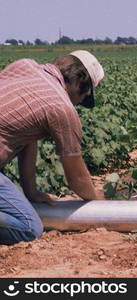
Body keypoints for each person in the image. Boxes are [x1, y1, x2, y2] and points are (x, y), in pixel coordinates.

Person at [0, 50, 105, 245]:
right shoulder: (62, 107)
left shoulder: (24, 66)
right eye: (85, 96)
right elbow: (77, 180)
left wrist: (31, 192)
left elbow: (26, 136)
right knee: (29, 227)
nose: (80, 102)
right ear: (78, 82)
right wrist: (98, 199)